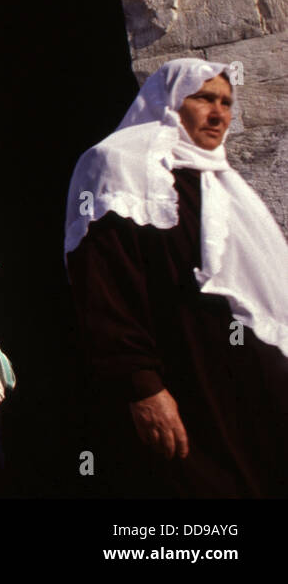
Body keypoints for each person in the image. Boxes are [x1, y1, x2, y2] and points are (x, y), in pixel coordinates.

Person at [65, 58, 288, 497]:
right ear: (168, 101)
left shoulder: (221, 181)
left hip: (245, 393)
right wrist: (143, 386)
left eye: (226, 102)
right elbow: (105, 289)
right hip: (183, 384)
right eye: (204, 97)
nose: (219, 113)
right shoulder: (118, 165)